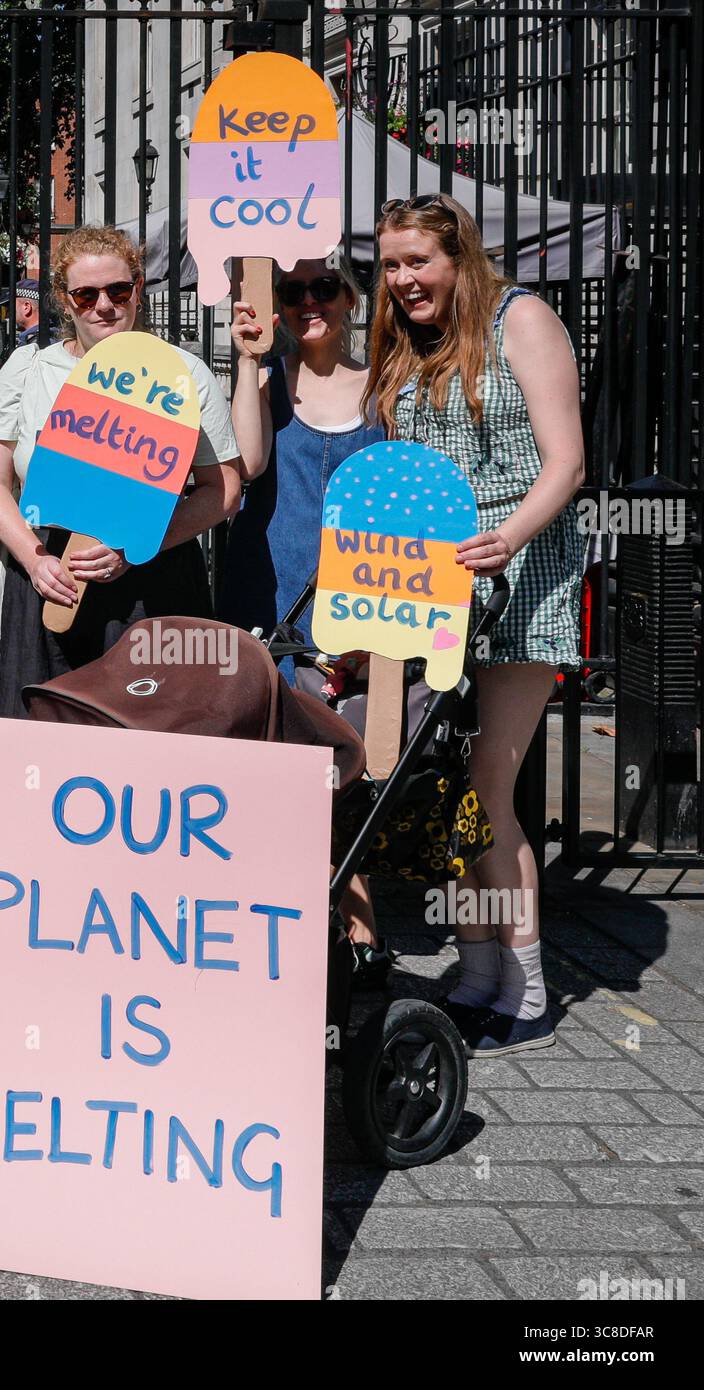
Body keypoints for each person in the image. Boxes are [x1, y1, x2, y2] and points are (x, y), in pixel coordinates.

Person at [366, 193, 584, 1056]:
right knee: (453, 796)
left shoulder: (521, 319)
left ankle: (527, 987)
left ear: (459, 255)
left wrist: (509, 539)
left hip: (522, 578)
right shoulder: (410, 340)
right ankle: (479, 966)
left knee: (489, 792)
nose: (403, 279)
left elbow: (566, 461)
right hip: (435, 587)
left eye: (418, 260)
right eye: (390, 264)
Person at [0, 224, 241, 718]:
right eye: (86, 294)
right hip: (47, 573)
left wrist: (139, 546)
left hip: (151, 579)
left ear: (138, 289)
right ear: (63, 298)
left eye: (119, 290)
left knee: (148, 741)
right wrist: (34, 561)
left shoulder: (183, 373)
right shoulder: (29, 368)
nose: (104, 305)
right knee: (43, 736)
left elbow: (224, 489)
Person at [217, 256, 390, 982]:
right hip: (268, 589)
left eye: (324, 287)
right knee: (274, 765)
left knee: (342, 772)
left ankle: (353, 929)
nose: (309, 302)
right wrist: (246, 362)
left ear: (351, 296)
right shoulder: (264, 381)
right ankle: (321, 936)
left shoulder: (386, 388)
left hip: (357, 599)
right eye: (293, 291)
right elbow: (248, 466)